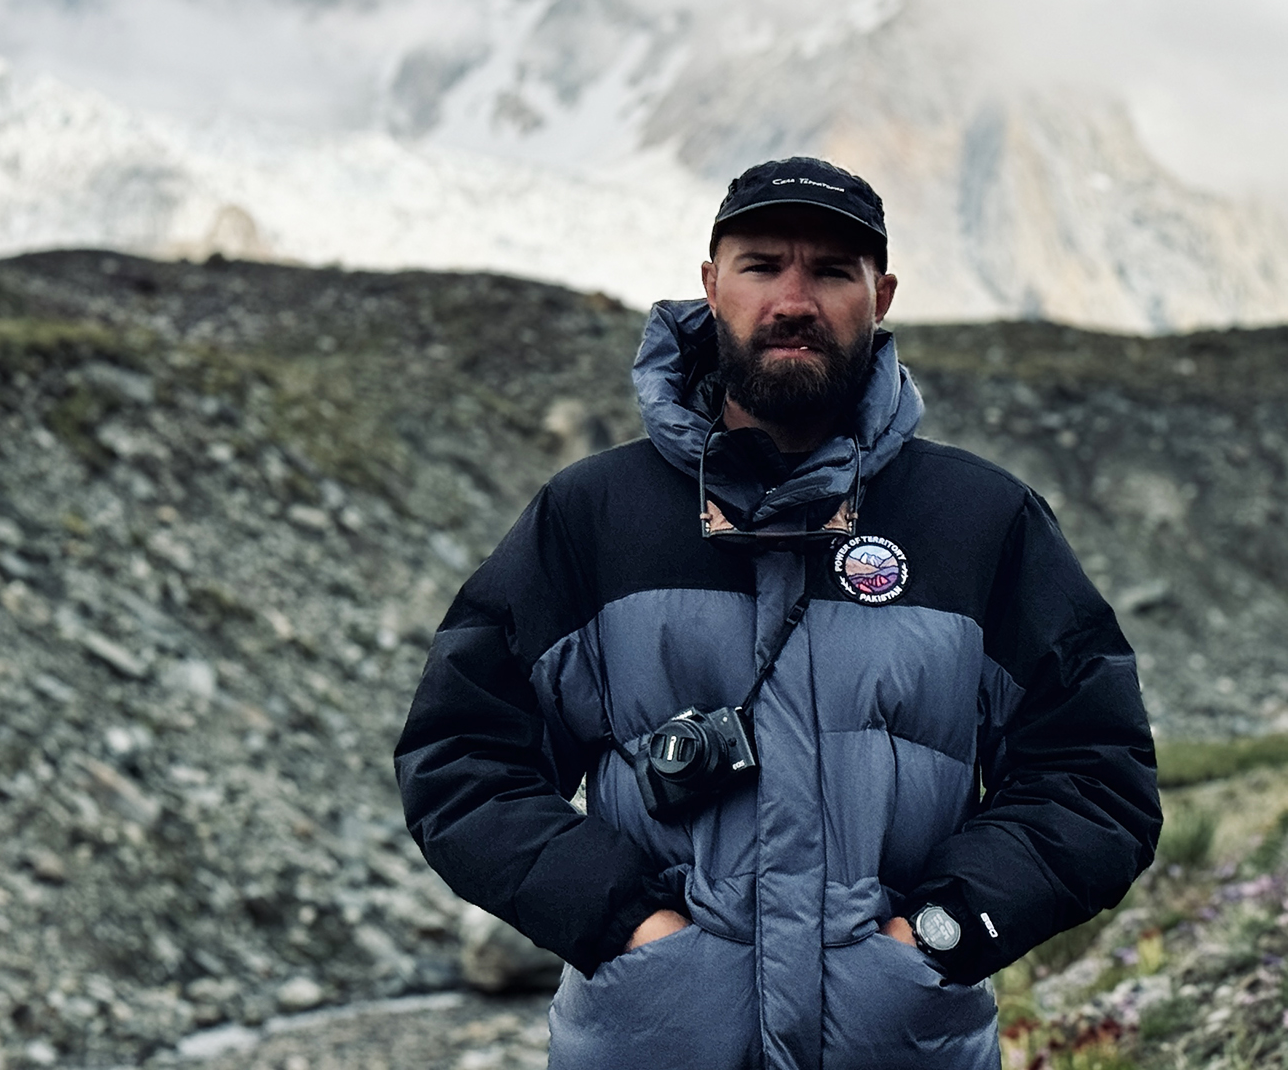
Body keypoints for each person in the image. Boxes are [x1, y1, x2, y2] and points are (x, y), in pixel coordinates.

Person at [395, 156, 1161, 1070]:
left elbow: (1094, 774)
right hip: (649, 1043)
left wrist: (942, 935)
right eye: (761, 265)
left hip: (901, 1046)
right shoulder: (593, 516)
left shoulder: (981, 522)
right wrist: (626, 925)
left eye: (832, 271)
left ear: (881, 296)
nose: (794, 300)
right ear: (711, 284)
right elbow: (461, 757)